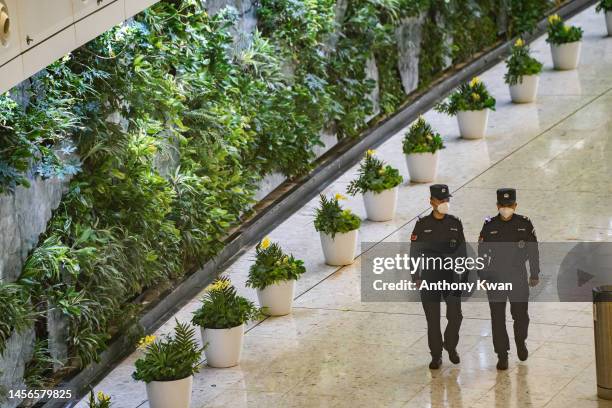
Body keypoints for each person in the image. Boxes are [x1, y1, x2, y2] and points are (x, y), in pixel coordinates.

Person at [478, 188, 540, 370]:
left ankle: (520, 341)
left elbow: (533, 250)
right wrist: (482, 275)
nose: (506, 208)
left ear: (515, 205)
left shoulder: (524, 224)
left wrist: (534, 273)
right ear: (498, 206)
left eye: (510, 205)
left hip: (517, 275)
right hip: (495, 277)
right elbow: (482, 253)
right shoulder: (489, 226)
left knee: (521, 315)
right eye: (503, 205)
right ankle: (502, 354)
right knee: (497, 318)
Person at [410, 184, 467, 369]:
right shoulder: (422, 225)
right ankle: (436, 356)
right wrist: (415, 276)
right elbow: (414, 253)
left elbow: (462, 252)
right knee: (433, 321)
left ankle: (450, 346)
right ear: (431, 202)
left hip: (451, 277)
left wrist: (465, 277)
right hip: (429, 277)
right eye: (441, 200)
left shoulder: (455, 223)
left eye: (447, 200)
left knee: (455, 316)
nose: (445, 203)